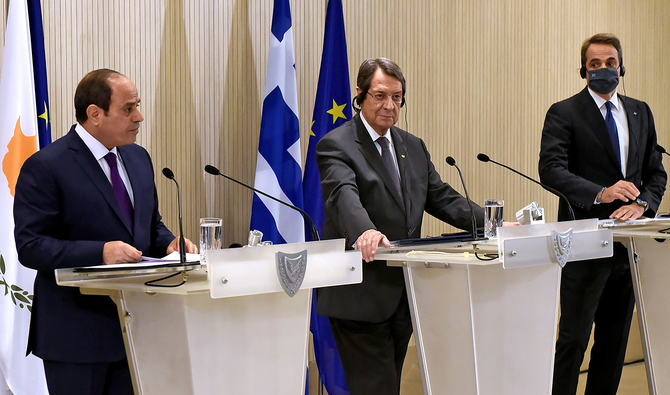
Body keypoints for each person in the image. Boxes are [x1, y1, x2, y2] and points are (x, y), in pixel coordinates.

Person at [13, 68, 197, 395]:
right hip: (76, 338)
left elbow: (148, 225)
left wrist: (169, 242)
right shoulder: (47, 166)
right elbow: (31, 246)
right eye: (128, 109)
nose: (139, 116)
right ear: (95, 114)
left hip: (138, 328)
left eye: (138, 106)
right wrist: (101, 253)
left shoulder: (139, 158)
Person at [315, 58, 484, 395]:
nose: (389, 106)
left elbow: (441, 198)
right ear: (360, 96)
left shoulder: (413, 146)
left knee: (387, 386)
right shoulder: (336, 145)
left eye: (397, 97)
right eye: (380, 96)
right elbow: (343, 196)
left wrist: (492, 223)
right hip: (359, 294)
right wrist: (365, 230)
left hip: (404, 294)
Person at [539, 34, 666, 395]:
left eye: (610, 63)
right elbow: (550, 169)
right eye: (594, 64)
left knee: (613, 345)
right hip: (583, 246)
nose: (603, 70)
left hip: (628, 246)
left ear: (621, 66)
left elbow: (656, 173)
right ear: (583, 70)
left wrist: (642, 204)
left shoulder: (640, 111)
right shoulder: (564, 112)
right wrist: (601, 192)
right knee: (573, 342)